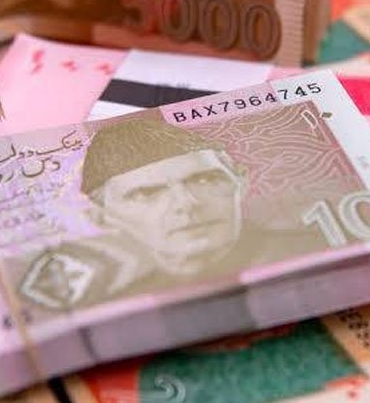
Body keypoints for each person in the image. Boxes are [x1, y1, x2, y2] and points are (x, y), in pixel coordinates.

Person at [16, 118, 321, 312]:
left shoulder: (314, 250)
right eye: (146, 194)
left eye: (204, 180)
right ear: (100, 217)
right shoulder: (121, 305)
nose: (186, 204)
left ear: (240, 182)